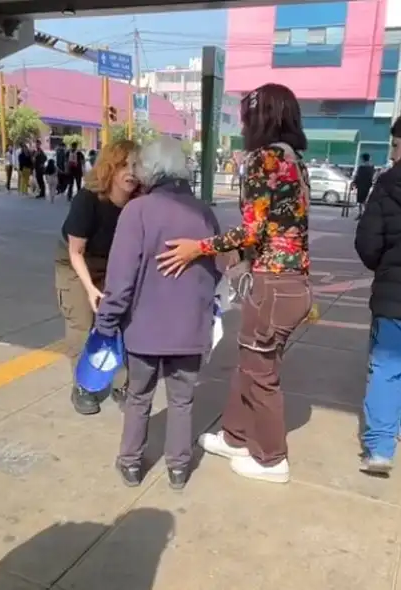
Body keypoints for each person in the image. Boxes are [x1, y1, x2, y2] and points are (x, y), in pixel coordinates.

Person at [157, 83, 312, 484]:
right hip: (288, 284)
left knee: (260, 374)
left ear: (261, 118)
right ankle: (235, 435)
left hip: (274, 285)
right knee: (248, 365)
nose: (243, 124)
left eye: (246, 116)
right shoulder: (294, 159)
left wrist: (199, 248)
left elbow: (253, 230)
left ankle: (271, 458)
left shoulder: (265, 158)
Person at [94, 137, 222, 490]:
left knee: (139, 397)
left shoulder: (138, 211)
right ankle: (179, 469)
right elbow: (219, 270)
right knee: (182, 400)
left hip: (145, 329)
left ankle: (131, 462)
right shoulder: (204, 213)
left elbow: (121, 279)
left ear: (148, 170)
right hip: (190, 329)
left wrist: (105, 323)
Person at [56, 140, 138, 416]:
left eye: (137, 166)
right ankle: (84, 386)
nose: (131, 172)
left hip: (115, 264)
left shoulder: (139, 203)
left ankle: (122, 384)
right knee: (83, 321)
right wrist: (91, 289)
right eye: (124, 165)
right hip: (77, 262)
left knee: (123, 322)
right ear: (110, 168)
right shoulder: (87, 200)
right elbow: (75, 250)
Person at [354, 117, 401, 475]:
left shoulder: (387, 185)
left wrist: (383, 266)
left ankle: (381, 449)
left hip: (393, 296)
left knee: (387, 367)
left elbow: (368, 243)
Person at [352, 152, 376, 219]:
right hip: (368, 185)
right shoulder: (372, 167)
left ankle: (361, 213)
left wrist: (354, 183)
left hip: (361, 185)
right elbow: (373, 177)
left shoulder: (361, 167)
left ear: (363, 159)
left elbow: (358, 176)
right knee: (365, 200)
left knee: (360, 200)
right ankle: (365, 214)